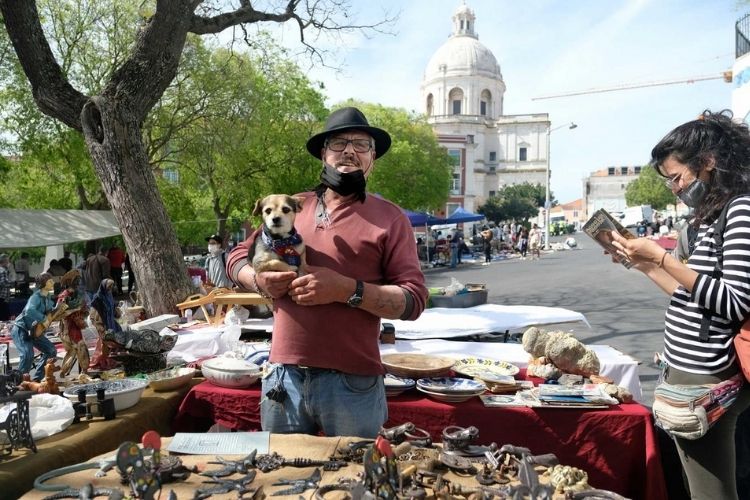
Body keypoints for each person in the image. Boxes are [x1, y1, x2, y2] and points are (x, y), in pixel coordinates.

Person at [226, 106, 428, 438]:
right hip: (283, 379)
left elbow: (414, 300)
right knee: (282, 483)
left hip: (354, 384)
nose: (349, 150)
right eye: (338, 143)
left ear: (372, 157)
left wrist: (346, 289)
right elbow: (236, 256)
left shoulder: (391, 219)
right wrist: (259, 281)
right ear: (324, 154)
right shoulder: (289, 206)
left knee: (353, 485)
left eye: (361, 144)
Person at [607, 110, 750, 499]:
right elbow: (690, 296)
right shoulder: (708, 217)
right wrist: (644, 265)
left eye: (677, 177)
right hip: (686, 375)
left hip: (708, 380)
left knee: (711, 493)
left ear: (708, 163)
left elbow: (734, 302)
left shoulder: (740, 210)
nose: (674, 188)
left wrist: (663, 258)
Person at [10, 273, 59, 382]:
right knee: (27, 354)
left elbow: (50, 311)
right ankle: (20, 381)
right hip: (21, 329)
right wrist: (43, 319)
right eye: (50, 281)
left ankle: (37, 379)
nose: (53, 283)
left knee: (51, 351)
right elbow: (29, 310)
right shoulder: (35, 297)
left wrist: (59, 308)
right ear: (43, 283)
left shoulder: (48, 297)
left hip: (34, 330)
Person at [56, 270, 89, 377]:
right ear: (70, 282)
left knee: (73, 351)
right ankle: (84, 371)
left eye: (79, 280)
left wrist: (82, 312)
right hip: (68, 327)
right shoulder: (64, 296)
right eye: (76, 281)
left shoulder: (78, 295)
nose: (78, 283)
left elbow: (84, 310)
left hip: (75, 326)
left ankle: (64, 370)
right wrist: (74, 311)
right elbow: (59, 313)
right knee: (80, 346)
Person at [0, 254, 11, 320]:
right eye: (7, 261)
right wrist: (11, 284)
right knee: (4, 316)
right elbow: (2, 283)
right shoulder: (3, 271)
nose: (8, 263)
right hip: (2, 296)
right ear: (4, 261)